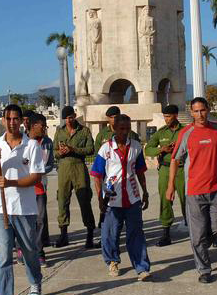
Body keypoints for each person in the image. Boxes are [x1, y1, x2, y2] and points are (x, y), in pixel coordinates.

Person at [166, 97, 217, 284]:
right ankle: (204, 270)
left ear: (208, 109)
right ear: (191, 112)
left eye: (203, 110)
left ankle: (208, 242)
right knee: (197, 235)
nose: (200, 114)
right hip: (194, 192)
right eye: (196, 111)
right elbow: (175, 159)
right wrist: (171, 185)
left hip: (215, 189)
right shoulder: (186, 133)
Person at [0, 104, 45, 295]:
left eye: (16, 119)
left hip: (25, 208)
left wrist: (11, 182)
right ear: (3, 120)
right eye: (8, 118)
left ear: (22, 121)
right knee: (4, 257)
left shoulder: (31, 146)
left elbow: (36, 177)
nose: (12, 122)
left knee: (29, 250)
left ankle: (35, 280)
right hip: (1, 209)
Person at [91, 114, 151, 280]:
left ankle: (142, 267)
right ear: (114, 128)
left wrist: (145, 192)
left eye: (127, 128)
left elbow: (140, 172)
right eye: (121, 129)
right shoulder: (105, 149)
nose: (124, 132)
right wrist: (99, 198)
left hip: (132, 197)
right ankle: (112, 261)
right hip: (112, 198)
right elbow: (97, 175)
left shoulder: (136, 147)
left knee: (136, 233)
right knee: (110, 233)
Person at [53, 106, 97, 248]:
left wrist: (73, 149)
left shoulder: (84, 131)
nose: (68, 121)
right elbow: (54, 152)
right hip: (64, 167)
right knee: (62, 200)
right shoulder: (59, 131)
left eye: (71, 117)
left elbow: (91, 149)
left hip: (79, 166)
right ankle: (63, 234)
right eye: (66, 118)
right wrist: (61, 152)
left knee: (84, 200)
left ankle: (89, 236)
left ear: (75, 115)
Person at [144, 104, 186, 247]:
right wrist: (161, 149)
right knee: (165, 200)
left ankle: (194, 229)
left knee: (187, 199)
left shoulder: (185, 131)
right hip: (165, 170)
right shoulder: (161, 133)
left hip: (182, 169)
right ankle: (166, 233)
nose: (166, 119)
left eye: (168, 116)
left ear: (176, 115)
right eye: (164, 116)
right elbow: (148, 149)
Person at [28, 112, 55, 267]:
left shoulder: (47, 142)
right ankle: (21, 248)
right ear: (33, 126)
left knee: (40, 221)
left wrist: (42, 170)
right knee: (25, 220)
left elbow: (51, 163)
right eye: (42, 126)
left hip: (40, 187)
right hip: (25, 188)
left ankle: (39, 252)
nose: (44, 128)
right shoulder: (23, 143)